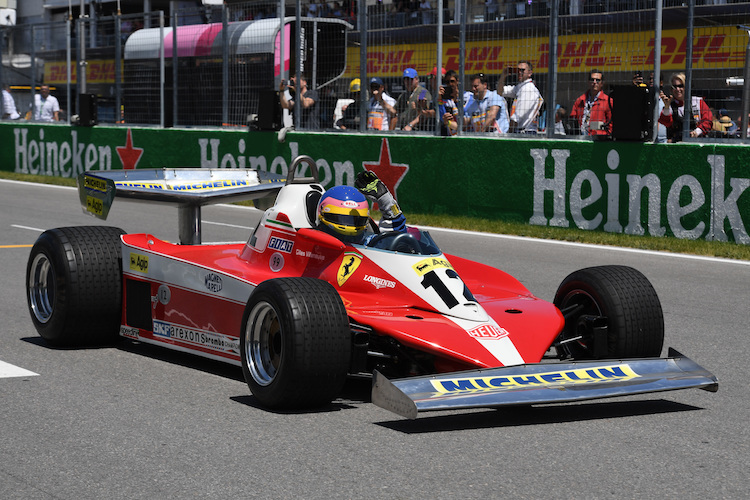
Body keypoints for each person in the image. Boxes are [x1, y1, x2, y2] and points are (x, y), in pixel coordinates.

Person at [317, 170, 406, 245]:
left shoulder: (369, 244)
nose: (349, 225)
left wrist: (386, 201)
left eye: (355, 221)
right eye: (342, 219)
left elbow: (398, 244)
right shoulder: (310, 245)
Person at [658, 72, 713, 142]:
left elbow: (708, 121)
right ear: (671, 89)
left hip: (698, 143)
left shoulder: (697, 102)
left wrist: (697, 132)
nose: (678, 89)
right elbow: (666, 122)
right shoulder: (670, 105)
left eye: (681, 86)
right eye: (674, 87)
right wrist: (666, 107)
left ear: (686, 87)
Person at [499, 61, 544, 133]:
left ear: (530, 73)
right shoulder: (521, 87)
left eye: (522, 70)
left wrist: (508, 133)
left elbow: (518, 116)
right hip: (523, 131)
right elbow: (500, 91)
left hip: (526, 132)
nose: (519, 72)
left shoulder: (528, 89)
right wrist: (503, 76)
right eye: (518, 70)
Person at [570, 70, 612, 137]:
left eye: (597, 80)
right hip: (580, 137)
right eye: (592, 80)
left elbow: (611, 123)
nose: (594, 82)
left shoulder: (608, 101)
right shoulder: (580, 100)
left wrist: (605, 135)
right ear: (588, 82)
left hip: (598, 139)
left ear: (602, 83)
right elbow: (572, 119)